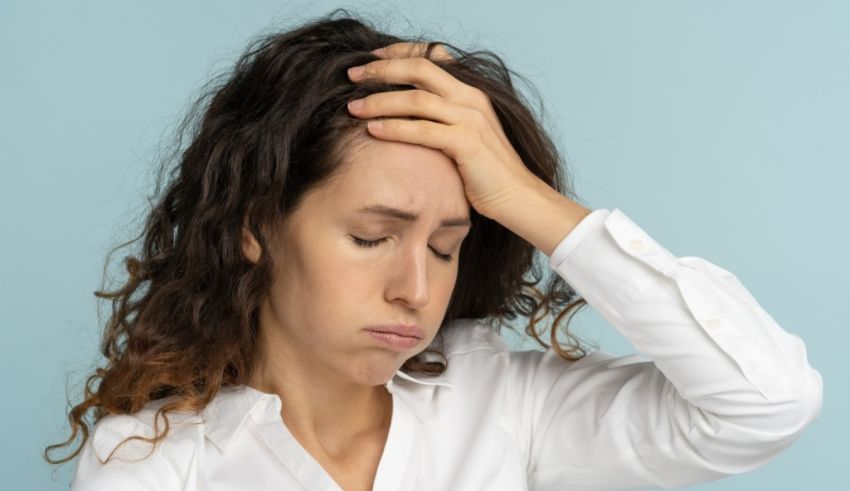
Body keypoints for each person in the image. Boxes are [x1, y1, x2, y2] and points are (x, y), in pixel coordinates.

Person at [44, 9, 823, 491]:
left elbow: (764, 403)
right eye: (371, 237)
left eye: (447, 247)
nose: (415, 287)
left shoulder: (503, 406)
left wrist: (528, 202)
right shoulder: (154, 462)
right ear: (255, 225)